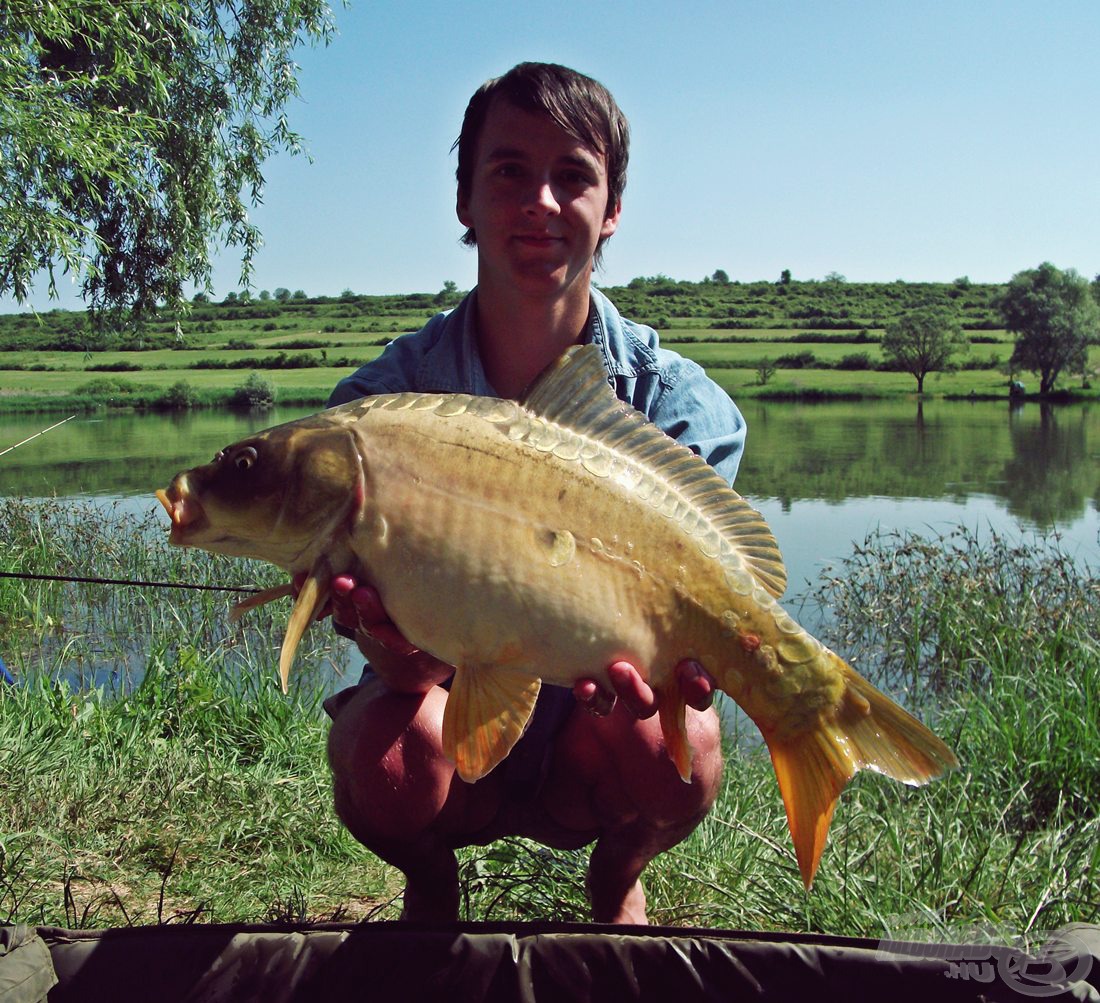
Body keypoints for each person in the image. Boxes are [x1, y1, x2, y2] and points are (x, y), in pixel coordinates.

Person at [322, 62, 747, 925]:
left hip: (598, 729)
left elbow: (704, 611)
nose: (540, 202)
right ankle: (431, 882)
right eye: (509, 171)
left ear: (612, 210)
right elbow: (384, 637)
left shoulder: (682, 408)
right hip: (451, 708)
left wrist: (696, 657)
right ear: (464, 201)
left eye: (573, 176)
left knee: (686, 749)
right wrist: (399, 651)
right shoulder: (378, 412)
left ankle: (619, 873)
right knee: (386, 759)